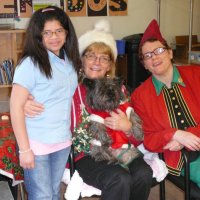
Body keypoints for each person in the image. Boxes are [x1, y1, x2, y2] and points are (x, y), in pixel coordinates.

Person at [24, 20, 154, 200]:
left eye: (104, 58)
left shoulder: (120, 90)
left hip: (122, 148)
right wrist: (26, 101)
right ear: (82, 60)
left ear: (110, 65)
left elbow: (136, 133)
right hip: (86, 154)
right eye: (91, 56)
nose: (97, 62)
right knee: (119, 179)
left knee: (144, 173)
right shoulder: (68, 87)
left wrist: (127, 127)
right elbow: (43, 99)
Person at [10, 6, 81, 200]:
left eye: (59, 31)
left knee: (52, 192)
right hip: (36, 142)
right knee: (41, 196)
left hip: (62, 140)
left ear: (67, 32)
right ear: (38, 36)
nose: (54, 37)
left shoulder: (70, 60)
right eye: (47, 33)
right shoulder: (30, 64)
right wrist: (24, 150)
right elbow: (15, 106)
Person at [131, 19, 200, 186]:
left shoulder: (196, 74)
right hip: (182, 157)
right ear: (145, 65)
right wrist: (174, 134)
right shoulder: (140, 96)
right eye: (147, 56)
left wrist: (190, 134)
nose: (154, 57)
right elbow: (148, 139)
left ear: (170, 53)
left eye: (159, 50)